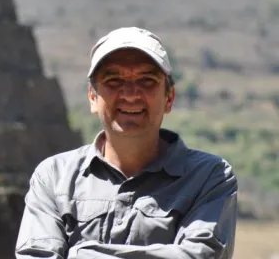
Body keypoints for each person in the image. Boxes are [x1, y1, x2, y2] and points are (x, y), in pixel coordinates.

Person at [15, 27, 238, 259]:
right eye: (113, 80)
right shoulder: (54, 177)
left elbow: (200, 256)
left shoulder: (209, 177)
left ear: (168, 98)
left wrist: (81, 254)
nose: (131, 94)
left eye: (147, 80)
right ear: (93, 97)